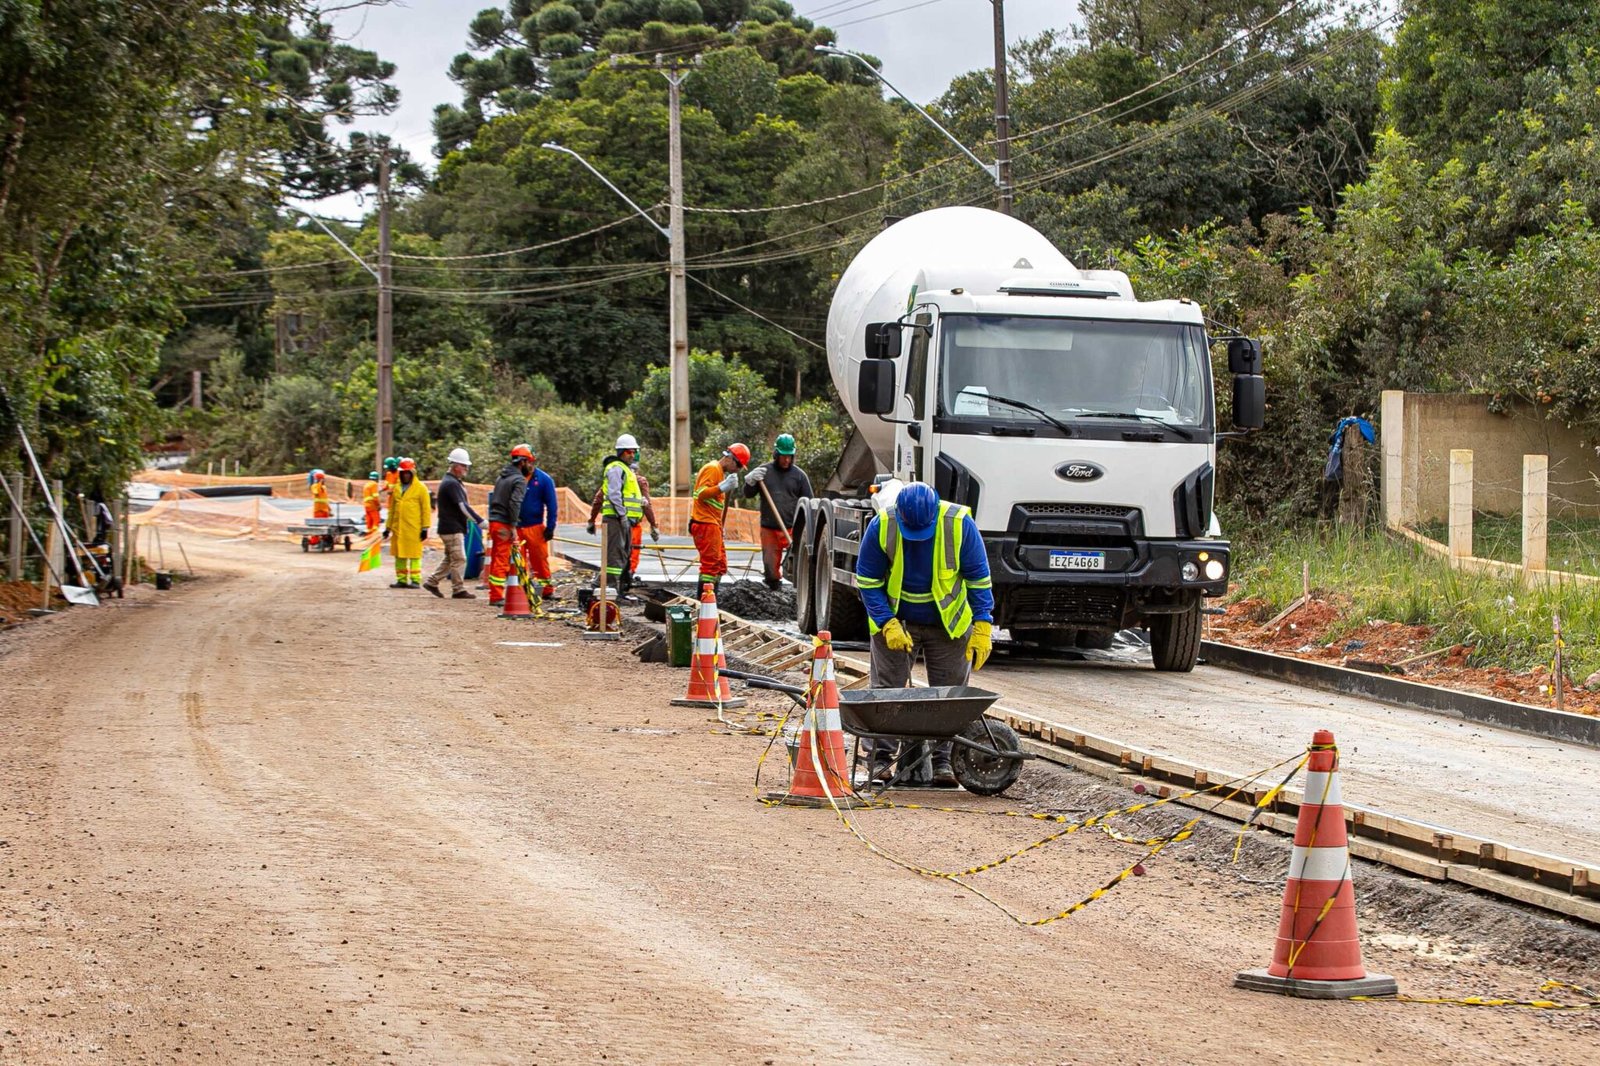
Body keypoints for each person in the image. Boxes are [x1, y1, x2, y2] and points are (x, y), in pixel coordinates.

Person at [855, 481, 994, 787]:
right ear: (900, 515)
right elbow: (867, 580)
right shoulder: (884, 525)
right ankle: (880, 760)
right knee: (887, 691)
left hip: (949, 624)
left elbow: (978, 580)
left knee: (948, 695)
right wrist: (886, 622)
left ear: (933, 515)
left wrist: (983, 624)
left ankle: (943, 761)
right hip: (898, 622)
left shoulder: (959, 525)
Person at [742, 433, 812, 590]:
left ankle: (801, 592)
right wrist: (750, 482)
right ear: (776, 454)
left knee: (800, 564)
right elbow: (748, 494)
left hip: (793, 529)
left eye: (789, 456)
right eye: (783, 456)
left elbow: (809, 502)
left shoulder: (799, 476)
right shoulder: (763, 473)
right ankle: (773, 591)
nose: (786, 460)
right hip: (769, 528)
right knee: (771, 569)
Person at [587, 434, 644, 595]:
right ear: (620, 452)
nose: (632, 455)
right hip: (616, 519)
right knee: (615, 556)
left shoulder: (626, 470)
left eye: (634, 452)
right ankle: (609, 590)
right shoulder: (615, 468)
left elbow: (628, 496)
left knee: (623, 555)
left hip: (624, 520)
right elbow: (614, 494)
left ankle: (606, 586)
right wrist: (623, 515)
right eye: (629, 452)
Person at [586, 462, 660, 582]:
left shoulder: (614, 479)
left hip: (617, 523)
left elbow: (598, 500)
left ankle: (615, 582)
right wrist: (653, 525)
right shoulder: (640, 481)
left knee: (615, 554)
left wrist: (592, 520)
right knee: (630, 553)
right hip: (631, 525)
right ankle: (622, 580)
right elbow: (647, 505)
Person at [689, 443, 749, 589]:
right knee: (710, 566)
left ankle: (711, 600)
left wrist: (719, 526)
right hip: (705, 523)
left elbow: (714, 504)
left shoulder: (719, 473)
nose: (738, 470)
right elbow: (700, 494)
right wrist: (722, 487)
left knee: (719, 565)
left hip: (712, 524)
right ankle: (705, 603)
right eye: (739, 465)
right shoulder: (712, 468)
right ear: (729, 458)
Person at [486, 444, 534, 606]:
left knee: (496, 559)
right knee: (501, 559)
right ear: (522, 462)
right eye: (529, 462)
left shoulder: (502, 477)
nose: (530, 466)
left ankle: (495, 592)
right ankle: (496, 596)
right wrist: (513, 526)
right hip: (504, 524)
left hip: (494, 522)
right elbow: (515, 503)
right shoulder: (519, 480)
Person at [515, 448, 559, 600]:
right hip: (516, 528)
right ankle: (520, 590)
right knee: (517, 562)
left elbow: (552, 505)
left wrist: (551, 526)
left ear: (530, 461)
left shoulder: (544, 480)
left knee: (539, 560)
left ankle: (546, 590)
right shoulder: (512, 478)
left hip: (535, 527)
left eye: (523, 462)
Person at [383, 458, 432, 588]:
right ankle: (401, 579)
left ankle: (415, 580)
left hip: (413, 528)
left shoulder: (421, 489)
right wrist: (387, 528)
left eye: (407, 472)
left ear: (412, 473)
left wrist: (425, 528)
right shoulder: (397, 489)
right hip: (398, 528)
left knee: (414, 555)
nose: (405, 475)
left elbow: (426, 509)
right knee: (399, 555)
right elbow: (392, 510)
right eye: (403, 473)